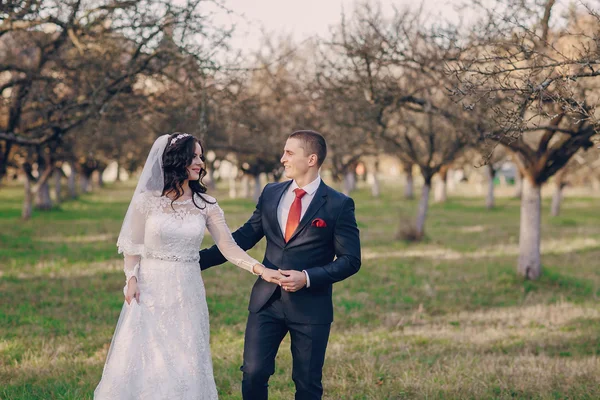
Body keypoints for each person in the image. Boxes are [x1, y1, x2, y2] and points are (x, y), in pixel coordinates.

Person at [94, 133, 280, 399]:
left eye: (201, 156)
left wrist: (262, 270)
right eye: (193, 156)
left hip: (187, 290)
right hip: (150, 288)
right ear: (175, 159)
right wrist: (131, 279)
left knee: (185, 356)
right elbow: (133, 245)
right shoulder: (146, 200)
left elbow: (229, 247)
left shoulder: (206, 204)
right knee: (146, 353)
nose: (200, 162)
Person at [199, 130, 361, 400]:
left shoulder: (339, 204)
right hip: (266, 302)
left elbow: (351, 260)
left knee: (307, 383)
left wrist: (307, 277)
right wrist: (192, 261)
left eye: (289, 152)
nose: (282, 158)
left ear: (311, 159)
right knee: (253, 373)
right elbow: (242, 238)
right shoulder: (271, 193)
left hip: (311, 308)